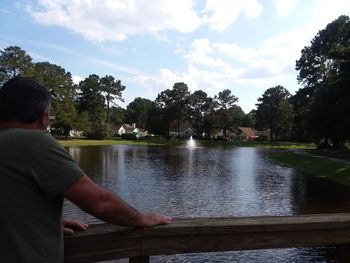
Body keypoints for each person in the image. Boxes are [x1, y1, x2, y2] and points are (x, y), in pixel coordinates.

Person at [0, 77, 172, 263]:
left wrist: (46, 222)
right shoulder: (34, 142)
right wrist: (140, 219)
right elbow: (99, 202)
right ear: (44, 116)